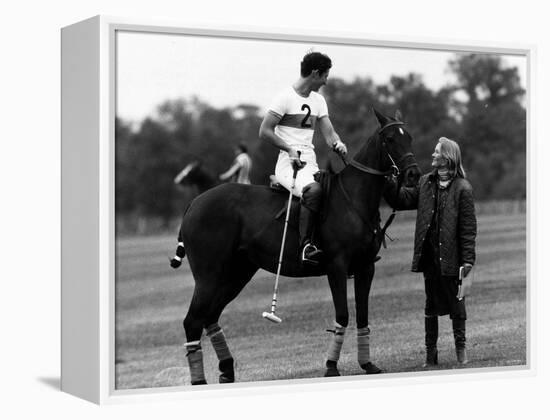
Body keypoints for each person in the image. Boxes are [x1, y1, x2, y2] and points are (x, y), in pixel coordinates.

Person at [385, 137, 477, 366]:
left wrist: (467, 262)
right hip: (429, 258)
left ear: (447, 158)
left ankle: (461, 352)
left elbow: (468, 230)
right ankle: (430, 355)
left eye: (437, 152)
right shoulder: (426, 182)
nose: (433, 155)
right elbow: (402, 199)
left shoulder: (463, 188)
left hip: (453, 259)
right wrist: (389, 181)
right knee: (430, 306)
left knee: (457, 305)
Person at [259, 51, 347, 265]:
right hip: (288, 164)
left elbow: (329, 132)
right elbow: (264, 131)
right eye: (325, 75)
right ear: (315, 73)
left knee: (338, 191)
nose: (326, 81)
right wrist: (289, 149)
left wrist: (338, 143)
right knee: (314, 191)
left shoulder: (318, 101)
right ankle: (305, 247)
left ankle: (340, 249)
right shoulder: (284, 98)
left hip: (310, 163)